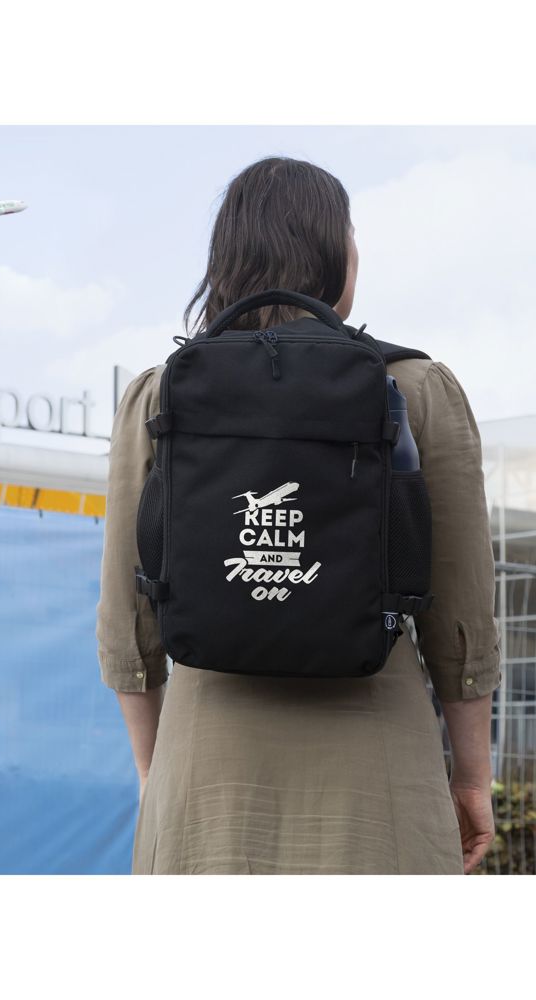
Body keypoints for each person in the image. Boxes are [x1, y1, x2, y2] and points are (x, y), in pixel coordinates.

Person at [96, 156, 502, 875]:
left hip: (203, 764)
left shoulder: (161, 395)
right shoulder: (416, 389)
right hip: (381, 768)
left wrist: (156, 774)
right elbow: (460, 618)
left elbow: (128, 622)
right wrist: (472, 778)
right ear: (333, 254)